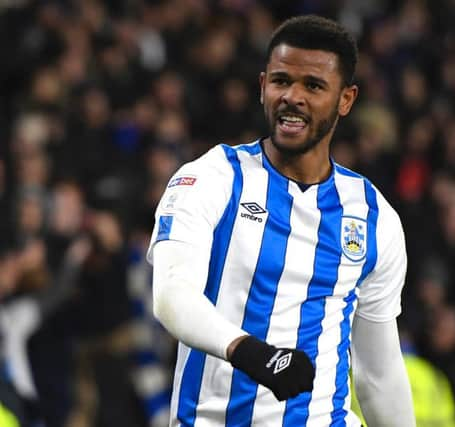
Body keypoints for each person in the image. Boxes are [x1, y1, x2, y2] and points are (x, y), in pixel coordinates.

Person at [148, 15, 415, 427]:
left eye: (313, 85)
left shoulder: (373, 216)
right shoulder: (211, 178)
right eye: (281, 81)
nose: (293, 96)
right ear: (262, 87)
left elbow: (378, 373)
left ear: (346, 100)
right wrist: (249, 351)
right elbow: (172, 296)